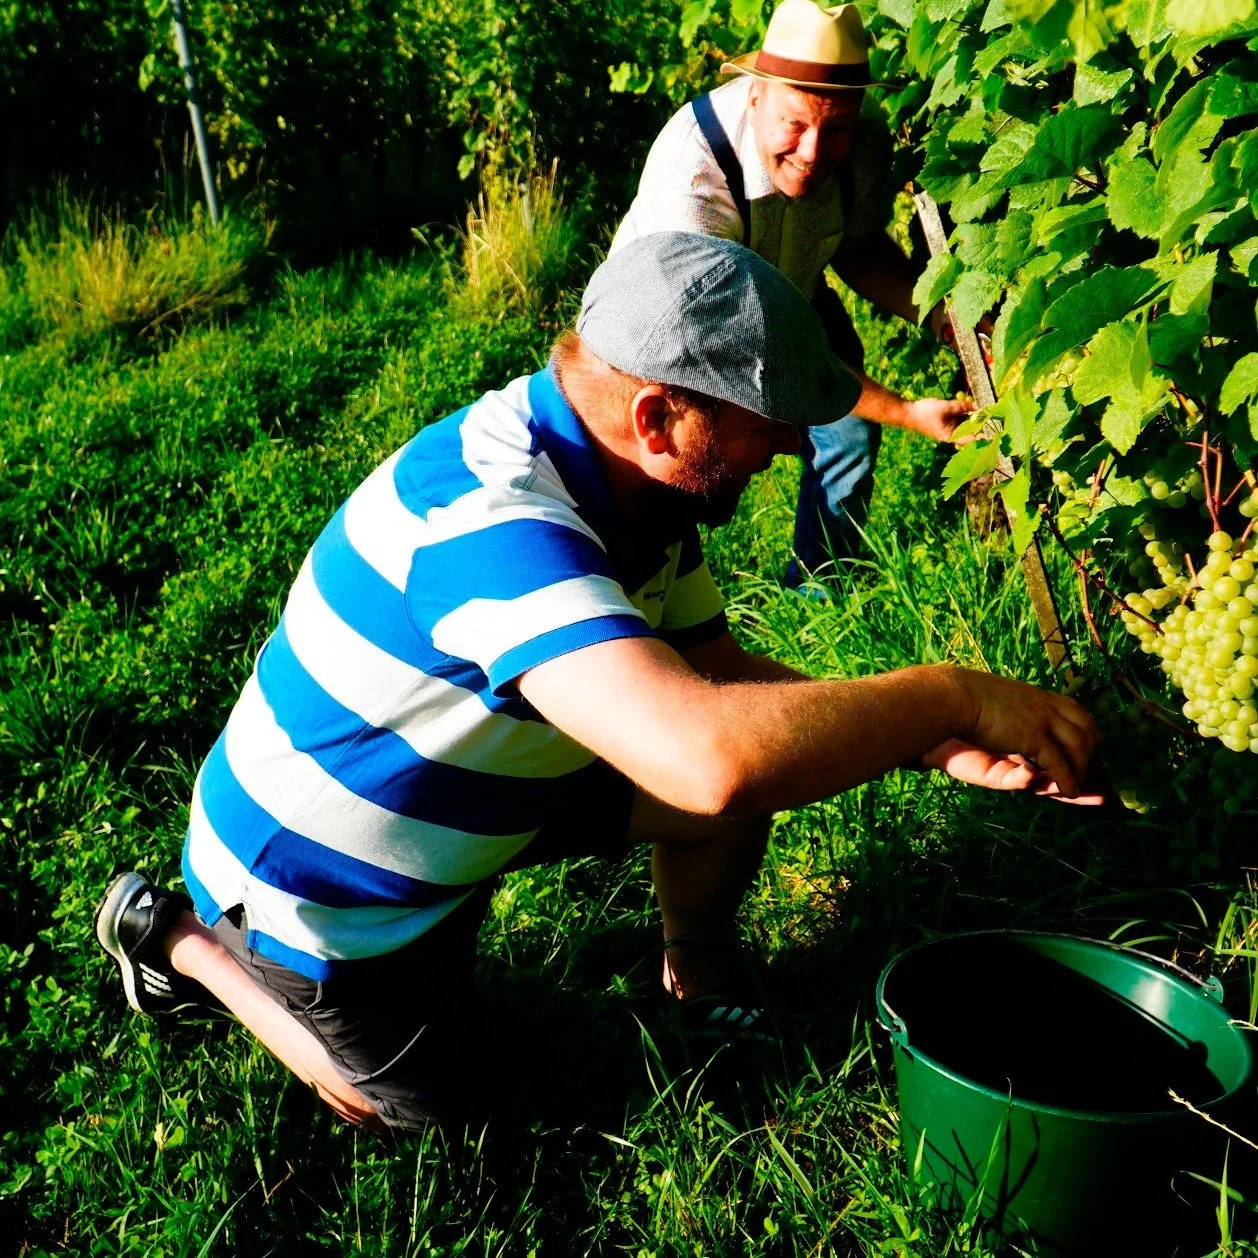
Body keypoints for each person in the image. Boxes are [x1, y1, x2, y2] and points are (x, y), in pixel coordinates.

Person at [95, 234, 1097, 1134]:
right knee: (440, 1114)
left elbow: (723, 683)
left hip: (477, 801)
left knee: (737, 773)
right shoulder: (492, 524)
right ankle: (186, 941)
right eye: (765, 422)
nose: (792, 446)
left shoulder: (628, 487)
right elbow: (713, 759)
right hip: (321, 895)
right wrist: (946, 695)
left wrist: (925, 741)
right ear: (659, 417)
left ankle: (697, 984)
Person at [611, 0, 973, 582]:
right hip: (669, 326)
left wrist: (939, 316)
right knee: (679, 465)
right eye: (795, 124)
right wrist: (906, 412)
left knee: (848, 434)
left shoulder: (863, 144)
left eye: (836, 130)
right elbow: (754, 344)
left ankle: (820, 594)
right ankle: (660, 611)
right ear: (755, 96)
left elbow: (856, 247)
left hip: (789, 287)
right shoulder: (694, 175)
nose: (812, 153)